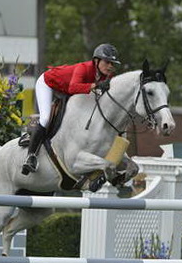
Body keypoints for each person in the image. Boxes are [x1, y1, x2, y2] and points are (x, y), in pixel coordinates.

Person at [22, 43, 121, 175]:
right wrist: (95, 86)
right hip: (48, 83)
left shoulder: (106, 76)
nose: (110, 66)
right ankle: (31, 156)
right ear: (96, 61)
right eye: (107, 62)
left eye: (113, 64)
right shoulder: (83, 68)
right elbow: (73, 88)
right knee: (45, 118)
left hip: (65, 91)